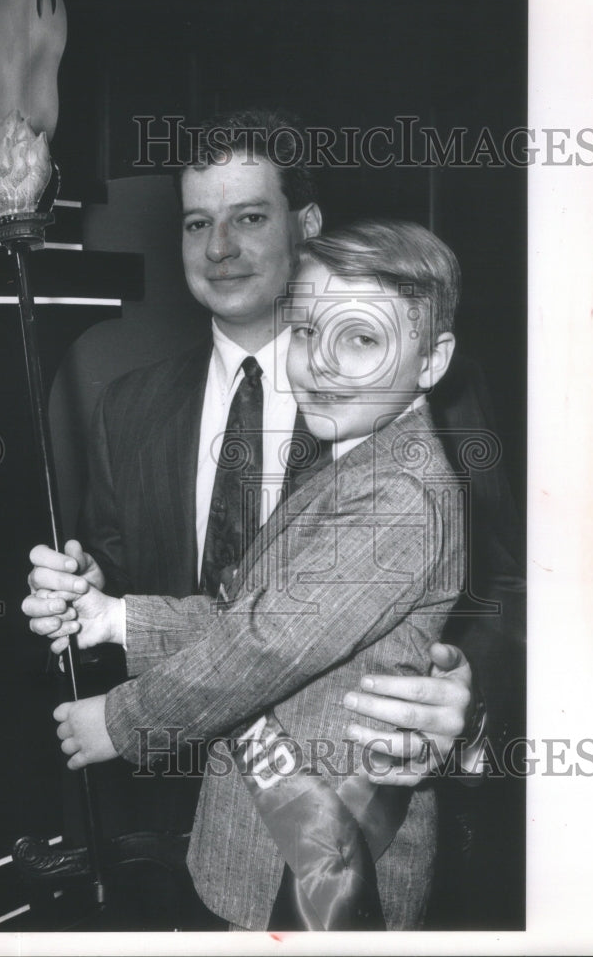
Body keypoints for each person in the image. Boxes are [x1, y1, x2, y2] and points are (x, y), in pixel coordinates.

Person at [28, 219, 466, 930]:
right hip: (262, 849)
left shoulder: (400, 496)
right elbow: (254, 613)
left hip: (329, 867)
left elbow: (264, 642)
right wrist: (111, 618)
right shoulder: (357, 460)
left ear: (431, 360)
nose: (321, 364)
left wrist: (121, 720)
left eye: (361, 339)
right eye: (306, 331)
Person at [25, 110, 479, 790]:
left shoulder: (417, 411)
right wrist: (87, 596)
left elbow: (502, 600)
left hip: (333, 810)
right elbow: (157, 591)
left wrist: (471, 722)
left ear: (307, 224)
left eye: (250, 217)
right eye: (197, 223)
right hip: (160, 800)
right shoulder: (126, 406)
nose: (218, 248)